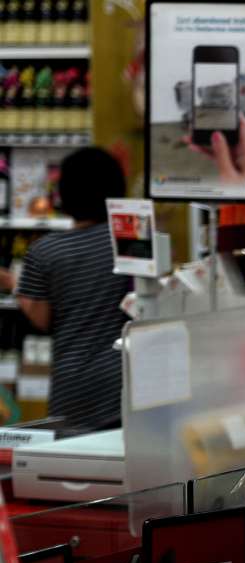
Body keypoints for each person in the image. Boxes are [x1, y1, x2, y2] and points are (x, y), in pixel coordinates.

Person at [14, 147, 134, 430]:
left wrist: (18, 290)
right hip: (130, 380)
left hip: (74, 386)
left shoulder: (45, 251)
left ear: (64, 192)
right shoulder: (130, 240)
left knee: (74, 466)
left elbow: (42, 319)